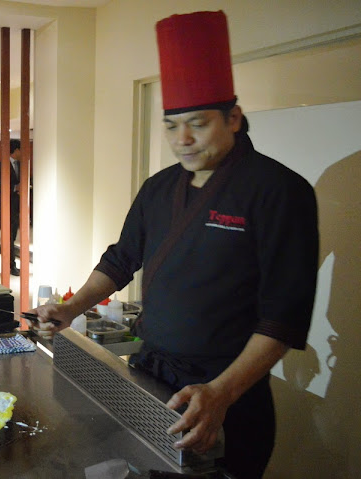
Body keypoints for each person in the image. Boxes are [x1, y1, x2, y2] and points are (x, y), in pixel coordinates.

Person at [31, 11, 318, 479]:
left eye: (197, 124)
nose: (181, 140)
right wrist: (71, 307)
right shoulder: (160, 187)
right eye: (170, 126)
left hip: (225, 393)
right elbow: (122, 258)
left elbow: (283, 319)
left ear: (234, 118)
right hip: (152, 378)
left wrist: (222, 393)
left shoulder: (280, 191)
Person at [0, 139, 22, 276]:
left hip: (16, 206)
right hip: (3, 205)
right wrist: (15, 188)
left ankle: (10, 264)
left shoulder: (21, 165)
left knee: (13, 236)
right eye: (21, 150)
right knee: (7, 236)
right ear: (16, 150)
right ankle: (11, 265)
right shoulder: (1, 165)